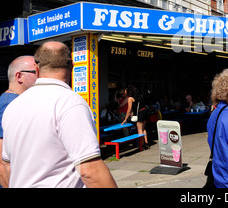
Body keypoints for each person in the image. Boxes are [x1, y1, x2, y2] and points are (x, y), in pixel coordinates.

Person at [1, 41, 117, 188]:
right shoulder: (70, 102)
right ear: (72, 66)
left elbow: (6, 164)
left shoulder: (13, 106)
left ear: (37, 68)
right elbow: (90, 170)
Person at [0, 55, 37, 187]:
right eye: (36, 72)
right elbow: (1, 162)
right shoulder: (9, 105)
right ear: (19, 76)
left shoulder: (16, 102)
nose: (42, 76)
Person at [121, 84, 150, 149]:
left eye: (125, 90)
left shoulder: (130, 98)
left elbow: (129, 109)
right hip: (145, 111)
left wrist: (125, 118)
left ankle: (141, 146)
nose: (124, 91)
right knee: (143, 129)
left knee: (139, 130)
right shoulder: (139, 96)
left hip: (140, 113)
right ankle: (146, 143)